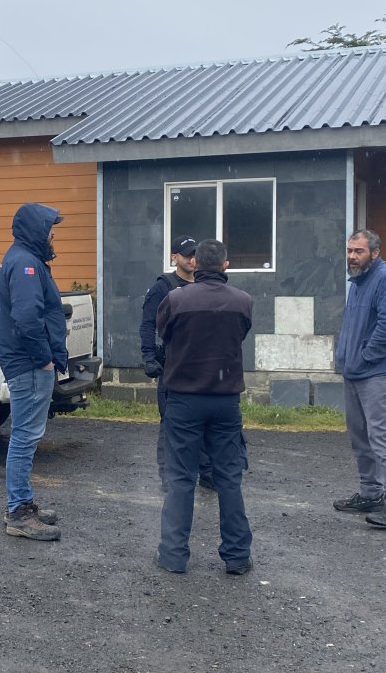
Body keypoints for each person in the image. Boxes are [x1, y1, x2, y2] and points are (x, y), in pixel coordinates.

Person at [155, 239, 253, 575]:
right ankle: (237, 556)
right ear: (226, 265)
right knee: (229, 479)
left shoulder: (175, 299)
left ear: (195, 263)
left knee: (181, 478)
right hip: (225, 400)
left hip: (184, 399)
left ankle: (173, 555)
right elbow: (240, 335)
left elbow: (164, 334)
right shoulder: (243, 301)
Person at [0, 202, 68, 541]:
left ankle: (21, 502)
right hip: (30, 364)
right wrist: (44, 359)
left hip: (27, 363)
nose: (52, 236)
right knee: (25, 437)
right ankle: (18, 513)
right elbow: (27, 317)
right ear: (37, 230)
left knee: (26, 435)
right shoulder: (25, 263)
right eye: (50, 230)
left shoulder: (24, 259)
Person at [332, 229, 386, 528]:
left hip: (378, 373)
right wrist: (346, 358)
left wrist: (365, 356)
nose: (352, 256)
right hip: (354, 372)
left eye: (359, 251)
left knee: (382, 437)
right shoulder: (358, 282)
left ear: (375, 253)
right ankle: (371, 493)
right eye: (350, 250)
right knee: (361, 438)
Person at [139, 235, 214, 491]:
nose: (192, 259)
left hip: (203, 364)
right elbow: (147, 324)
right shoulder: (163, 287)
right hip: (174, 364)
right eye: (187, 255)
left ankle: (207, 472)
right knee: (171, 421)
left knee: (205, 419)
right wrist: (149, 356)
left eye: (196, 254)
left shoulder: (207, 284)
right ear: (174, 257)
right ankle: (170, 476)